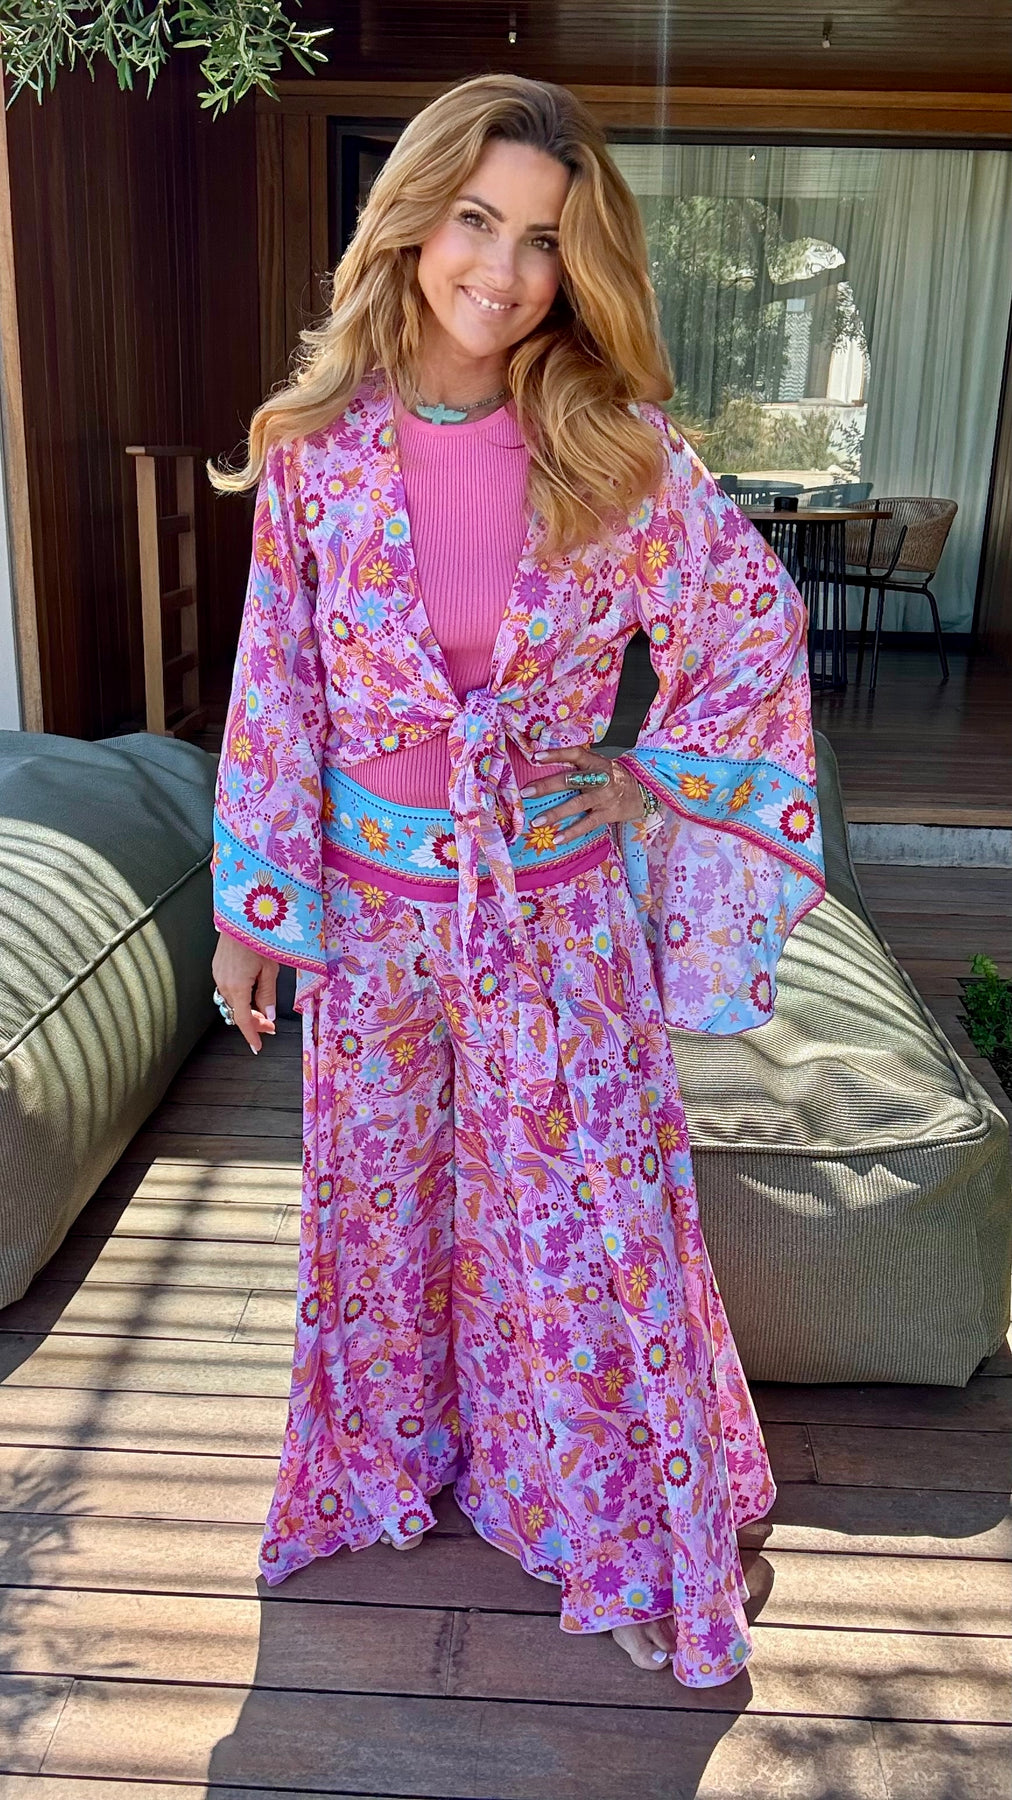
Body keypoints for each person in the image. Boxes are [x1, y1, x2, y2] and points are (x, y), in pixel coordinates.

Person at [208, 74, 825, 1688]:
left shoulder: (614, 449)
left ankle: (623, 1523)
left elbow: (753, 630)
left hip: (556, 921)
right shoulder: (317, 452)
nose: (502, 269)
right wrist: (255, 912)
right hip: (375, 921)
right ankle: (394, 1463)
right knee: (389, 1211)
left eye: (544, 240)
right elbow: (279, 681)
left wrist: (645, 777)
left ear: (577, 265)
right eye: (476, 221)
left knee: (583, 1226)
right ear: (414, 222)